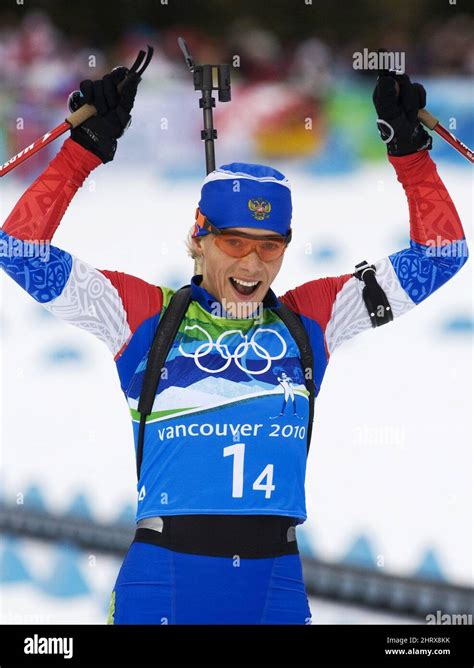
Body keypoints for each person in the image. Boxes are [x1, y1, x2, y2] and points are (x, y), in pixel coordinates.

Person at [0, 67, 468, 625]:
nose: (251, 264)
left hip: (274, 583)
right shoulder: (143, 315)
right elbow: (20, 250)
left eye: (271, 247)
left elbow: (441, 255)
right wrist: (83, 151)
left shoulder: (313, 319)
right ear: (200, 239)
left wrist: (410, 153)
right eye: (233, 241)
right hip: (164, 580)